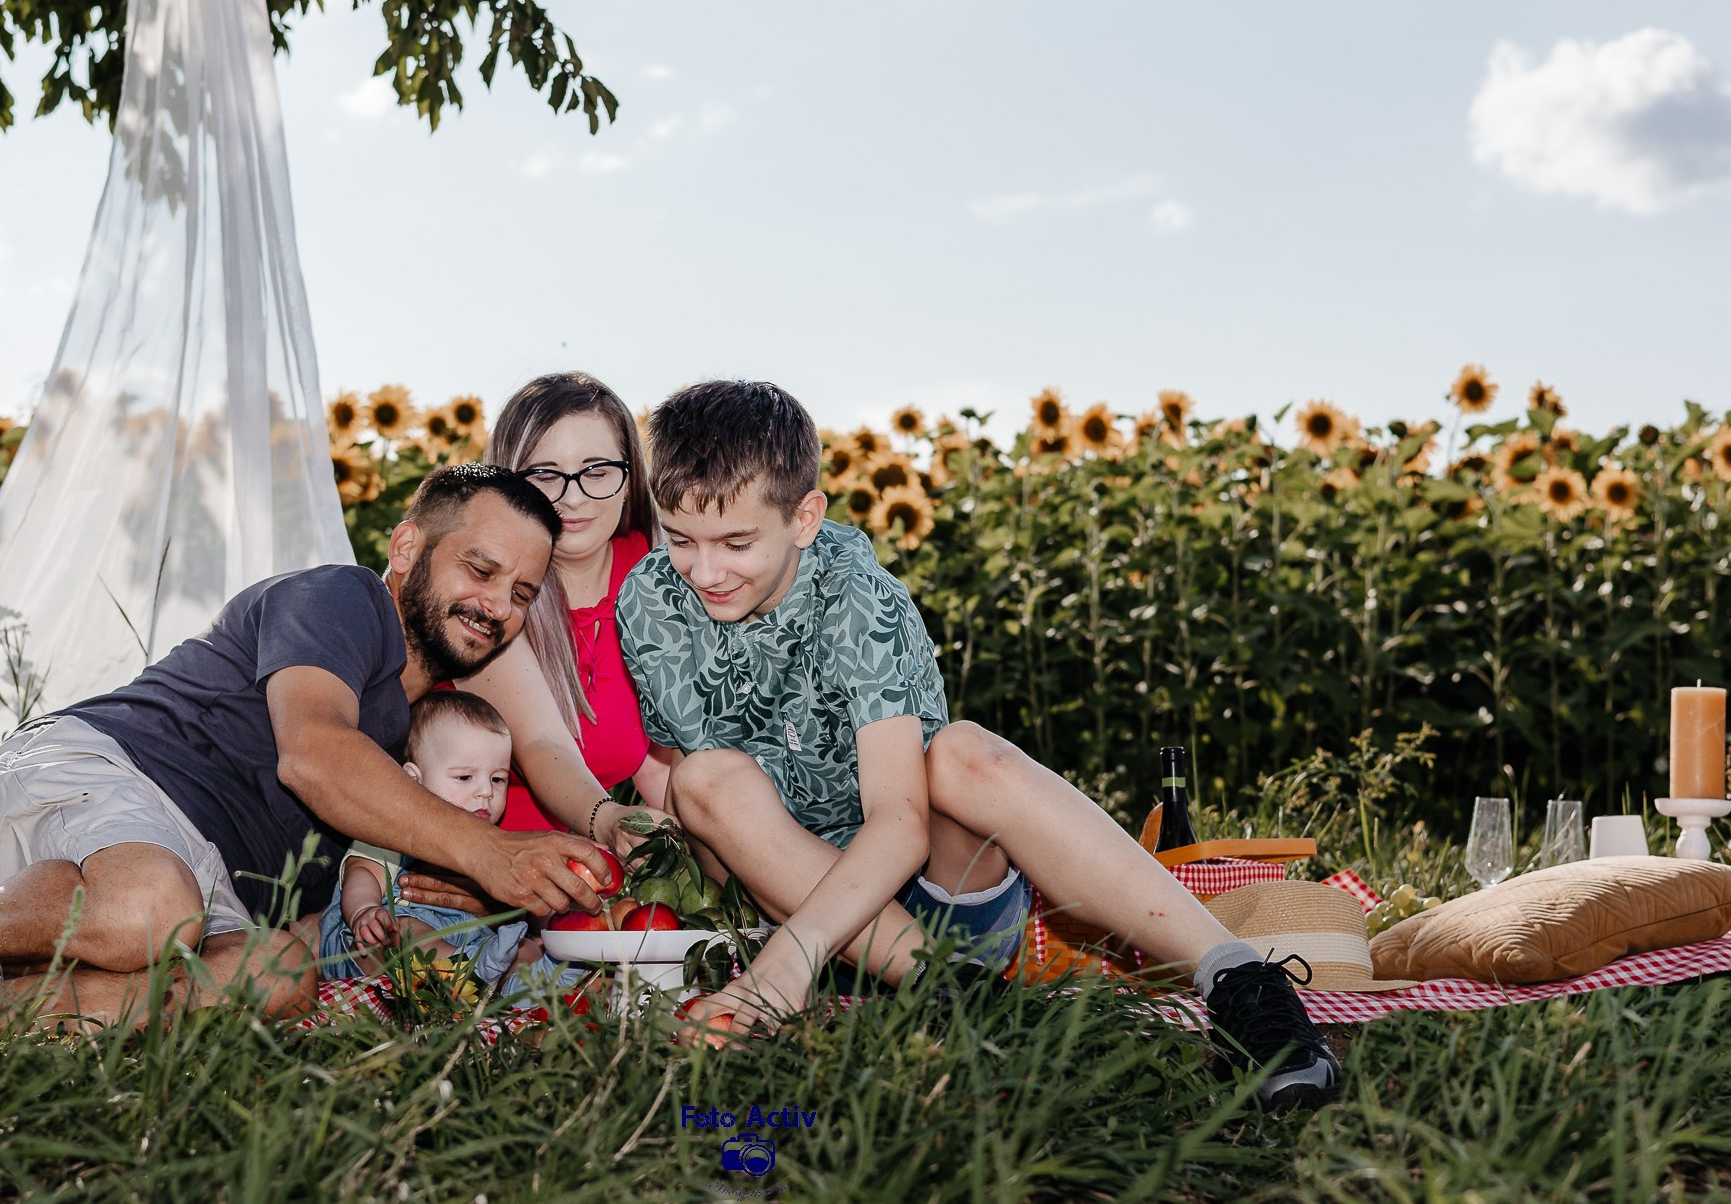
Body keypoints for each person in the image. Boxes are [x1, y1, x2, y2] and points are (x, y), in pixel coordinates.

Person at [618, 381, 1342, 1112]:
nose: (704, 571)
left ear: (805, 518)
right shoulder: (649, 604)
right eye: (681, 540)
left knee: (963, 751)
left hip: (933, 908)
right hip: (785, 908)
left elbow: (900, 822)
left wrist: (791, 959)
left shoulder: (857, 596)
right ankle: (980, 1009)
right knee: (701, 779)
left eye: (736, 543)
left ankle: (1240, 979)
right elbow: (707, 816)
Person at [0, 465, 608, 1031]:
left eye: (522, 591)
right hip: (107, 770)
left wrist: (406, 925)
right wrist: (489, 852)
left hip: (196, 885)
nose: (497, 603)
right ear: (410, 545)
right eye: (481, 569)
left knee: (272, 978)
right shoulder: (345, 602)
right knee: (153, 901)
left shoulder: (430, 738)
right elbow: (313, 753)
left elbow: (313, 912)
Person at [395, 373, 668, 911]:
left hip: (587, 881)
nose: (572, 497)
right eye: (544, 474)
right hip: (471, 871)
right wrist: (607, 821)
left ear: (630, 475)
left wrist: (685, 864)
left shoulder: (661, 579)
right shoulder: (492, 600)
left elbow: (671, 761)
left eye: (596, 470)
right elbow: (544, 743)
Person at [317, 689, 576, 998]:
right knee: (407, 933)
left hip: (473, 945)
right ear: (413, 781)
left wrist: (539, 922)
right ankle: (461, 975)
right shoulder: (393, 827)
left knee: (522, 948)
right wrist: (364, 911)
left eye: (497, 779)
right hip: (377, 935)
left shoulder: (500, 845)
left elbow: (528, 903)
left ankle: (523, 985)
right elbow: (362, 871)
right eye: (465, 778)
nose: (485, 792)